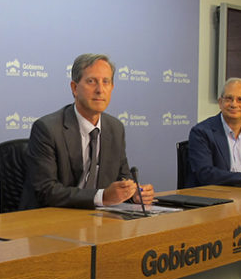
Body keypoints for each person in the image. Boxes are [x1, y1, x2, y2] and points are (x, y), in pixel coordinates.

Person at [19, 53, 154, 210]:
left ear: (112, 88)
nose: (100, 90)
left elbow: (123, 177)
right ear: (74, 88)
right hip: (50, 217)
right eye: (91, 81)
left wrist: (133, 193)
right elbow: (46, 191)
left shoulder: (115, 128)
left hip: (95, 218)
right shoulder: (47, 129)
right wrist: (102, 197)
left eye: (106, 82)